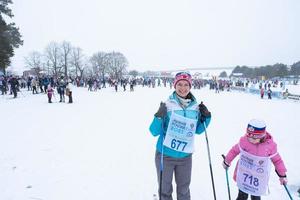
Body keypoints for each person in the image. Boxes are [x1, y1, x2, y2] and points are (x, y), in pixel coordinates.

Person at [149, 71, 212, 200]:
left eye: (186, 84)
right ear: (174, 85)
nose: (182, 88)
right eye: (180, 84)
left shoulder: (195, 107)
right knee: (165, 191)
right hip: (165, 155)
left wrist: (206, 117)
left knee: (184, 191)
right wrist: (158, 117)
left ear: (190, 86)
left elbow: (198, 130)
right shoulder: (167, 105)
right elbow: (153, 131)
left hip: (185, 157)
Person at [222, 119, 287, 200]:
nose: (250, 140)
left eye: (254, 138)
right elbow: (234, 150)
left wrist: (282, 175)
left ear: (261, 136)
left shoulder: (270, 146)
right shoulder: (244, 141)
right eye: (248, 136)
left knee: (256, 197)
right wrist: (227, 161)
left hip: (258, 178)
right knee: (242, 196)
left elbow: (277, 160)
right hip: (244, 174)